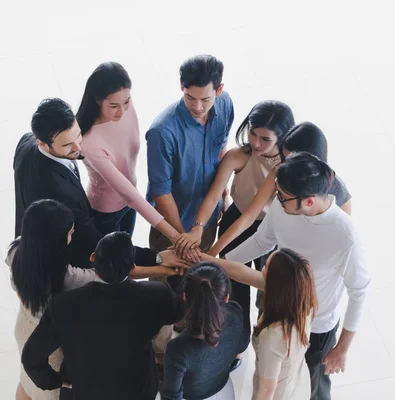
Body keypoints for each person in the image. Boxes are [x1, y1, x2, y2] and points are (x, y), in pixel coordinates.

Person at [223, 153, 370, 400]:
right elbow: (261, 241)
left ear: (309, 201)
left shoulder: (346, 235)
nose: (276, 198)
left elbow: (359, 291)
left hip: (316, 326)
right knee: (273, 377)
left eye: (281, 195)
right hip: (277, 307)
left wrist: (342, 347)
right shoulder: (284, 208)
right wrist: (223, 263)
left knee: (311, 386)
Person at [7, 200, 179, 400]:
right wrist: (163, 267)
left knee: (27, 387)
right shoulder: (71, 279)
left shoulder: (17, 251)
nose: (74, 236)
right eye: (71, 233)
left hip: (26, 328)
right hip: (54, 347)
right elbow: (115, 275)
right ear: (56, 242)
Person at [13, 97, 188, 269]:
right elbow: (95, 243)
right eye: (67, 145)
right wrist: (156, 257)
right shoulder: (58, 193)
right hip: (59, 259)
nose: (78, 148)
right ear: (43, 144)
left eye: (78, 135)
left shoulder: (26, 142)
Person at [175, 100, 295, 343]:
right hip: (235, 221)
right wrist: (200, 232)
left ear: (282, 139)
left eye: (265, 139)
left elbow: (253, 215)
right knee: (235, 287)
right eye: (252, 133)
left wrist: (210, 255)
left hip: (269, 230)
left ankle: (265, 335)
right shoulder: (238, 156)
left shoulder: (287, 168)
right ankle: (238, 342)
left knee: (269, 290)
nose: (256, 143)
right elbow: (212, 197)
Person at [146, 54, 234, 360]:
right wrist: (183, 236)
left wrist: (221, 195)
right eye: (189, 97)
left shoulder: (225, 106)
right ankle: (157, 356)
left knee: (197, 285)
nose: (197, 106)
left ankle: (188, 344)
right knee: (162, 290)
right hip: (172, 227)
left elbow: (220, 152)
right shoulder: (162, 131)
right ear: (181, 88)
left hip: (206, 221)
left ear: (219, 90)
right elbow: (160, 191)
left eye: (205, 99)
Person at [208, 122, 352, 259]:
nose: (285, 165)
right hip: (280, 254)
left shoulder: (339, 197)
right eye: (284, 158)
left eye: (292, 160)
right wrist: (213, 256)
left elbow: (336, 249)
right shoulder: (281, 172)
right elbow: (254, 228)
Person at [77, 62, 181, 240]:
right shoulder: (89, 142)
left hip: (130, 203)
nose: (122, 110)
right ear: (97, 100)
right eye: (114, 105)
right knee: (111, 263)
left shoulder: (125, 107)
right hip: (105, 212)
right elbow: (130, 195)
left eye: (126, 101)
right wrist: (176, 236)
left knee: (127, 256)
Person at [202, 248, 317, 400]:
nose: (261, 269)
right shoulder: (302, 299)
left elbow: (266, 392)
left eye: (266, 267)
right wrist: (203, 258)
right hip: (298, 383)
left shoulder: (274, 336)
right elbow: (241, 272)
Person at [160, 263, 249, 400]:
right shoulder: (235, 312)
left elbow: (171, 396)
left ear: (184, 297)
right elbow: (240, 348)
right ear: (226, 297)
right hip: (225, 389)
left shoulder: (178, 348)